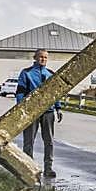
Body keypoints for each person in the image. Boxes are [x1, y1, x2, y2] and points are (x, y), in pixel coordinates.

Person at [16, 48, 62, 179]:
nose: (43, 59)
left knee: (49, 141)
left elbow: (55, 92)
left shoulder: (51, 74)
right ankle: (28, 168)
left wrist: (58, 107)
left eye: (45, 57)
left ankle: (48, 168)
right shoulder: (26, 73)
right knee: (29, 141)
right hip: (32, 112)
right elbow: (20, 91)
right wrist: (20, 107)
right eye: (41, 57)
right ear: (35, 58)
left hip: (48, 111)